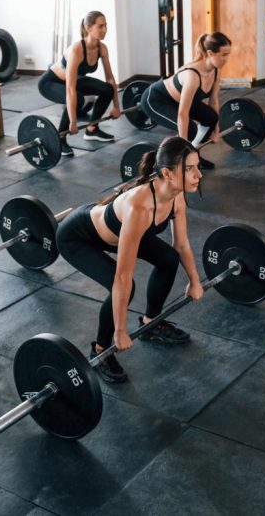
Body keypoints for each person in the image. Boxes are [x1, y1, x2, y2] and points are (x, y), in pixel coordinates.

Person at [55, 136, 205, 383]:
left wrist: (195, 281)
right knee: (124, 287)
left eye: (197, 167)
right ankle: (101, 350)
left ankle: (151, 323)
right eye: (189, 169)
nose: (198, 174)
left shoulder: (176, 196)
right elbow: (123, 276)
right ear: (167, 173)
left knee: (168, 258)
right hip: (77, 237)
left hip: (116, 232)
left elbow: (181, 244)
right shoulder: (139, 207)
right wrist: (120, 331)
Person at [140, 32, 230, 170]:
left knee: (211, 118)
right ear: (211, 53)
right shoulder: (192, 76)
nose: (227, 59)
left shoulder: (216, 71)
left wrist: (216, 130)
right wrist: (182, 144)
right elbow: (183, 114)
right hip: (156, 100)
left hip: (179, 101)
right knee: (190, 129)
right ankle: (169, 159)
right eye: (224, 54)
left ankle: (193, 154)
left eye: (228, 54)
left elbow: (214, 102)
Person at [37, 10, 121, 156]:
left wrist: (116, 106)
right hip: (50, 82)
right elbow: (70, 89)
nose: (105, 30)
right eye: (100, 26)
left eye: (105, 26)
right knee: (78, 98)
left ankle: (92, 129)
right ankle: (60, 137)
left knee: (107, 89)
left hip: (74, 81)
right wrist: (73, 121)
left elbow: (110, 79)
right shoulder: (76, 49)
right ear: (89, 28)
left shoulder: (102, 48)